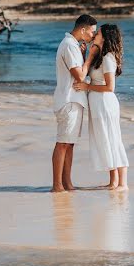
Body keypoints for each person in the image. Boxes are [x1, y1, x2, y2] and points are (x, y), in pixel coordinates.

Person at [73, 23, 129, 190]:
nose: (95, 35)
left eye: (98, 33)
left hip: (105, 103)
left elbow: (110, 87)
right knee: (105, 140)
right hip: (98, 104)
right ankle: (113, 182)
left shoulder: (108, 58)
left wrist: (87, 87)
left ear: (105, 37)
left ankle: (122, 183)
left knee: (113, 139)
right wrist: (86, 54)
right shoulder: (99, 56)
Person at [51, 14, 102, 192]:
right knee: (63, 143)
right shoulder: (69, 45)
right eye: (92, 32)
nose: (93, 37)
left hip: (73, 100)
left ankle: (67, 183)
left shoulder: (73, 46)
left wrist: (83, 54)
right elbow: (80, 76)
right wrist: (89, 57)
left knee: (69, 143)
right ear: (83, 29)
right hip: (68, 100)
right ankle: (57, 185)